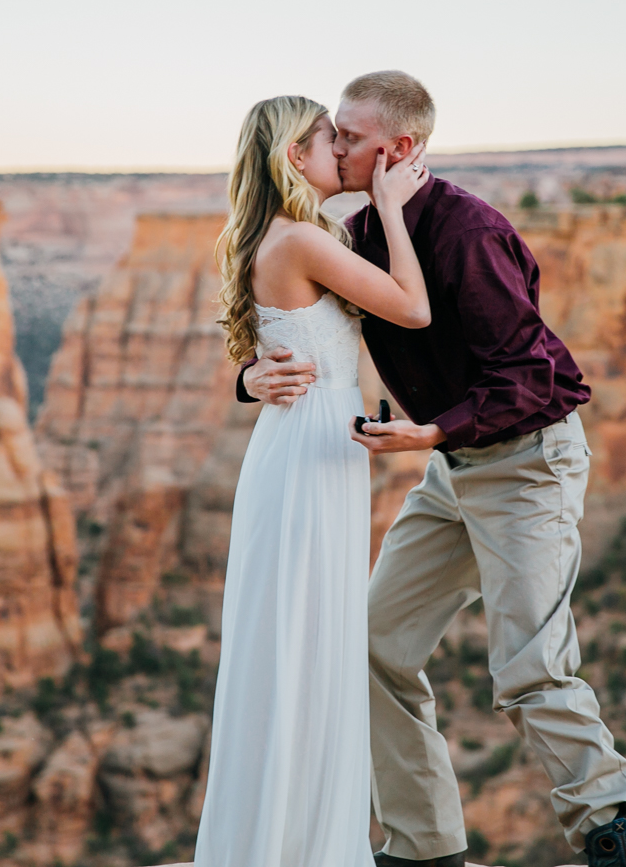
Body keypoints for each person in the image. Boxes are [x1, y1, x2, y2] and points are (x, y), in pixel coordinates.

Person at [239, 71, 626, 867]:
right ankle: (424, 847)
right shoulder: (357, 233)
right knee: (372, 646)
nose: (336, 144)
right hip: (452, 471)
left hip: (527, 463)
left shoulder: (467, 233)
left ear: (399, 149)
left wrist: (433, 430)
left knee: (530, 666)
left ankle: (609, 835)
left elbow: (545, 377)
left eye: (349, 136)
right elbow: (295, 325)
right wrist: (250, 377)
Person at [193, 94, 431, 867]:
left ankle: (293, 839)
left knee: (309, 643)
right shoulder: (300, 239)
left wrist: (250, 375)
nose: (345, 152)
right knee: (302, 645)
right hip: (307, 461)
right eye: (331, 139)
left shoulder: (293, 233)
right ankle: (295, 847)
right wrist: (391, 206)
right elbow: (411, 309)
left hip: (311, 449)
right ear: (295, 156)